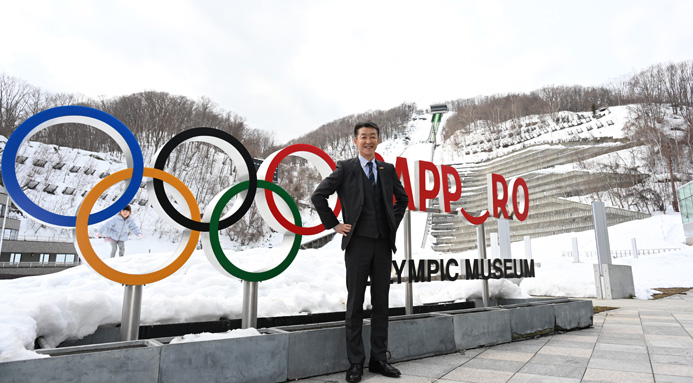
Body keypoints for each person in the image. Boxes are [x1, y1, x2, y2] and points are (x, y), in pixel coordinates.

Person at [311, 121, 409, 382]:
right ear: (355, 141)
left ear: (378, 140)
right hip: (357, 244)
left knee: (381, 303)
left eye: (372, 137)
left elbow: (403, 200)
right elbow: (319, 196)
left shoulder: (387, 169)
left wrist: (391, 223)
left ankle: (379, 359)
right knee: (355, 303)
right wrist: (334, 225)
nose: (368, 141)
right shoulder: (346, 168)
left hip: (382, 244)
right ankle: (356, 363)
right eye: (363, 137)